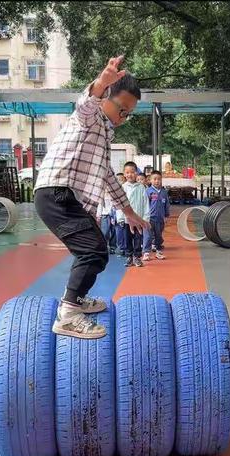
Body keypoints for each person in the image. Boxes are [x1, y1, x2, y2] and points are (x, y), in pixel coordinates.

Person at [34, 55, 149, 340]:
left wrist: (129, 212)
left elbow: (108, 177)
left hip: (65, 198)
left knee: (93, 248)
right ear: (105, 98)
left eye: (128, 114)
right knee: (95, 250)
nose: (123, 117)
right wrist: (100, 83)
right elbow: (85, 104)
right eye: (122, 109)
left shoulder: (104, 135)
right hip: (56, 193)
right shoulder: (89, 117)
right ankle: (69, 313)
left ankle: (76, 298)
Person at [116, 161, 150, 267]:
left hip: (138, 220)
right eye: (127, 172)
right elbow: (119, 204)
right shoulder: (122, 188)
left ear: (136, 173)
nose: (130, 174)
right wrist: (120, 218)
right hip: (126, 220)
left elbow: (145, 203)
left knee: (138, 238)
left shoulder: (141, 187)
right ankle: (129, 257)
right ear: (124, 174)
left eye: (132, 172)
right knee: (127, 239)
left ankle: (137, 257)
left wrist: (145, 218)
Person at [142, 170, 170, 261]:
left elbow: (167, 204)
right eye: (155, 179)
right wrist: (143, 217)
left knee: (158, 235)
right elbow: (144, 204)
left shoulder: (164, 192)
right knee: (148, 236)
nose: (157, 181)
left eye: (159, 179)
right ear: (150, 180)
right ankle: (146, 253)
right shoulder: (148, 191)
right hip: (149, 218)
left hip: (160, 219)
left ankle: (158, 251)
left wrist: (166, 215)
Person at [96, 187, 117, 255]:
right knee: (105, 232)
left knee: (114, 231)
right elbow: (100, 205)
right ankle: (104, 247)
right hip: (105, 215)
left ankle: (112, 247)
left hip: (114, 215)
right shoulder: (102, 196)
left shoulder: (114, 196)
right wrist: (98, 214)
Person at [114, 172, 126, 255]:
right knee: (119, 233)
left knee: (126, 233)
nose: (120, 181)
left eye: (121, 179)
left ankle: (126, 248)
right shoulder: (114, 191)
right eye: (118, 180)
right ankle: (121, 247)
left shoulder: (126, 188)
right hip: (118, 216)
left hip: (127, 216)